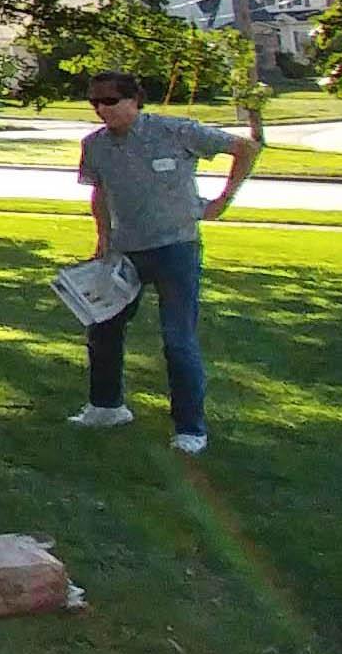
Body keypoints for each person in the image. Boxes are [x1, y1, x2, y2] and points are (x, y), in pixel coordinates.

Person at [72, 72, 257, 455]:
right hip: (125, 252)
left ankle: (190, 429)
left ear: (134, 99)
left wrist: (223, 200)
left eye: (109, 101)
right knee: (103, 328)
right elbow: (99, 193)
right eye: (95, 103)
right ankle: (106, 407)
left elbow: (245, 148)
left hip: (176, 249)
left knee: (177, 340)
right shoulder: (95, 146)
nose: (101, 110)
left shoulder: (177, 131)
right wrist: (103, 239)